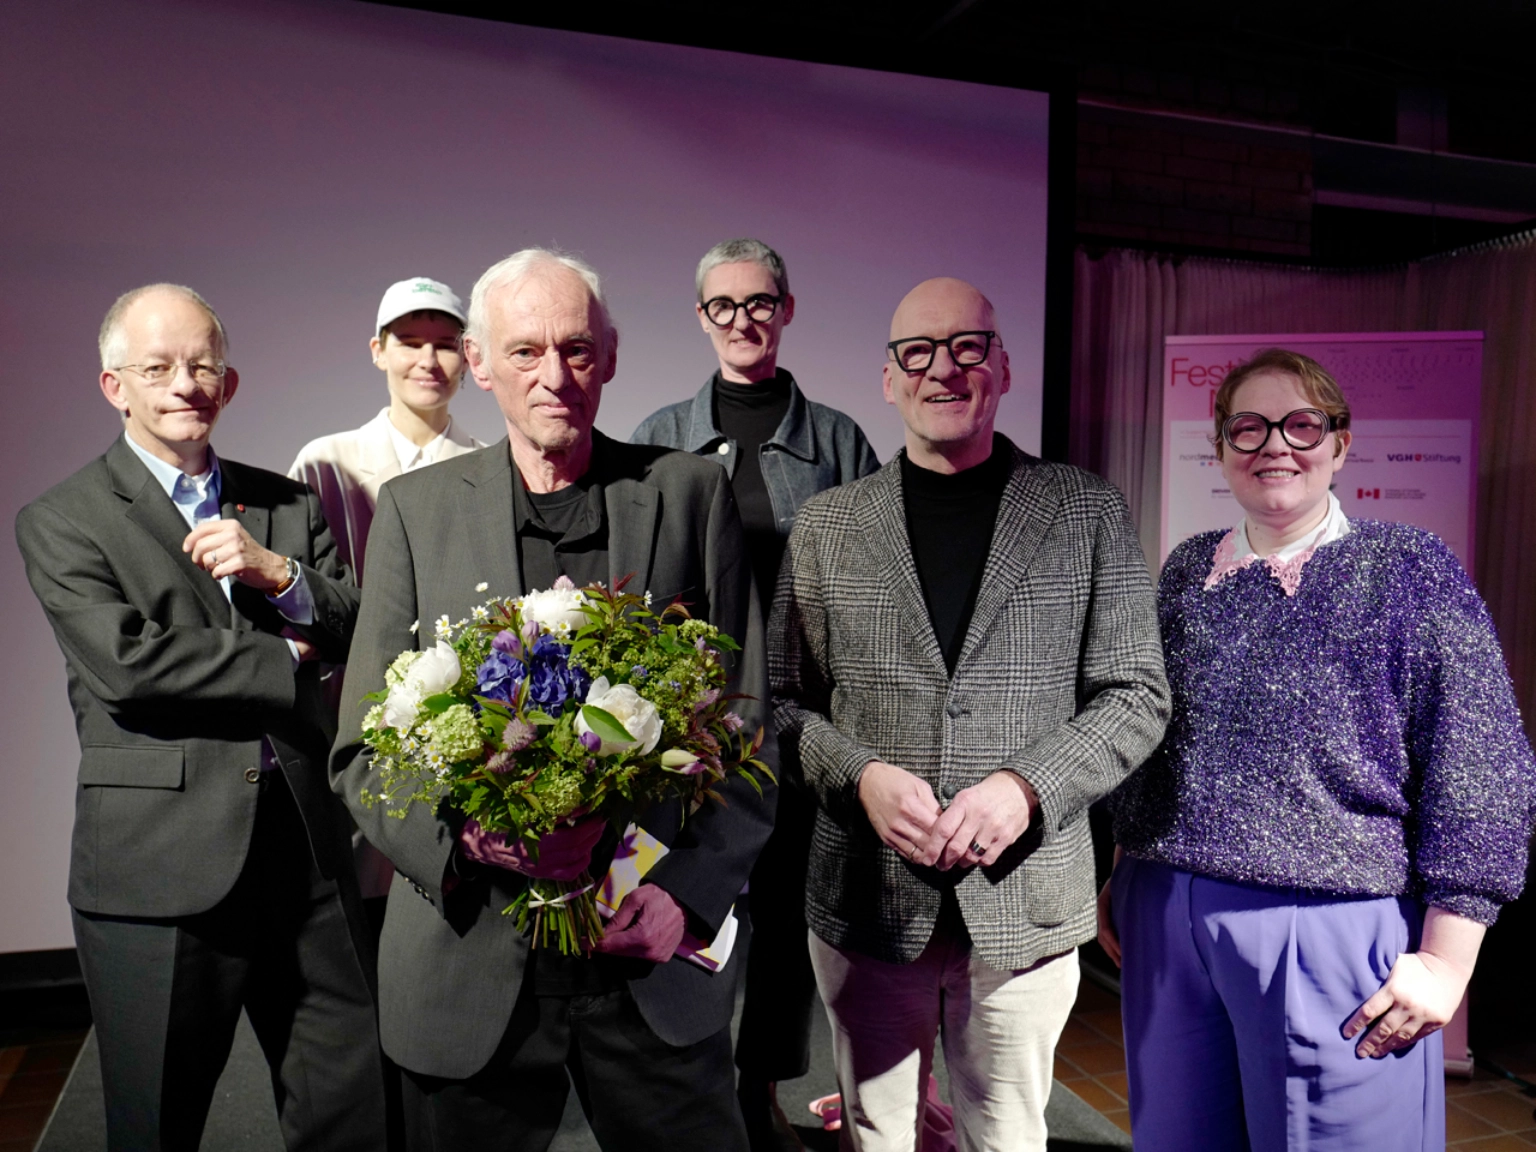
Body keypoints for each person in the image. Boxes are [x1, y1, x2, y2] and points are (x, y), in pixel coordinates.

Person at [329, 249, 777, 1152]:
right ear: (479, 363)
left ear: (609, 357)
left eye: (577, 349)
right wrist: (465, 835)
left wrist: (685, 898)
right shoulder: (416, 512)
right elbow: (361, 754)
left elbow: (749, 725)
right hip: (469, 957)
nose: (555, 377)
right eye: (526, 352)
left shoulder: (688, 494)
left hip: (645, 955)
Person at [1100, 348, 1536, 1152]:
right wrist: (1124, 860)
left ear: (1341, 442)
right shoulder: (1188, 568)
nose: (1276, 444)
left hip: (1327, 924)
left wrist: (1447, 960)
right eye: (1249, 427)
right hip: (1166, 910)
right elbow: (1153, 732)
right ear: (1221, 447)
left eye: (1302, 424)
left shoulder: (1408, 570)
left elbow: (1481, 761)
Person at [770, 277, 1169, 1152]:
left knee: (1007, 1134)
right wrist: (861, 777)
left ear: (1003, 366)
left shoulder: (1085, 509)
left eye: (967, 347)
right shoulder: (826, 526)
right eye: (918, 351)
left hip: (1026, 901)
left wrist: (1028, 787)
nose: (942, 369)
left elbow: (1138, 693)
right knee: (879, 1134)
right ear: (888, 377)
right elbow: (783, 705)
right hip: (868, 901)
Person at [15, 284, 386, 1151]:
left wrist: (278, 576)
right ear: (116, 386)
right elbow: (130, 665)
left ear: (230, 383)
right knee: (156, 1123)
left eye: (202, 365)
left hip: (308, 858)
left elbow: (360, 618)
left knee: (355, 1111)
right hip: (159, 869)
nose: (184, 383)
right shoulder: (62, 520)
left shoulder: (284, 504)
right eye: (158, 367)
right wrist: (286, 658)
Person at [631, 237, 878, 1148]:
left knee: (779, 912)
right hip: (684, 720)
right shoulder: (657, 434)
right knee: (685, 890)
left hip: (796, 714)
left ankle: (759, 1087)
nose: (743, 320)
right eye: (723, 306)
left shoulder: (840, 441)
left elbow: (868, 585)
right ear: (701, 317)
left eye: (760, 302)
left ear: (787, 308)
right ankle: (682, 1071)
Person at [289, 276, 484, 918]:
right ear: (378, 350)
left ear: (470, 355)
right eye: (409, 342)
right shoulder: (326, 464)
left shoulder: (493, 466)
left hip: (460, 740)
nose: (428, 361)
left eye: (446, 344)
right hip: (347, 733)